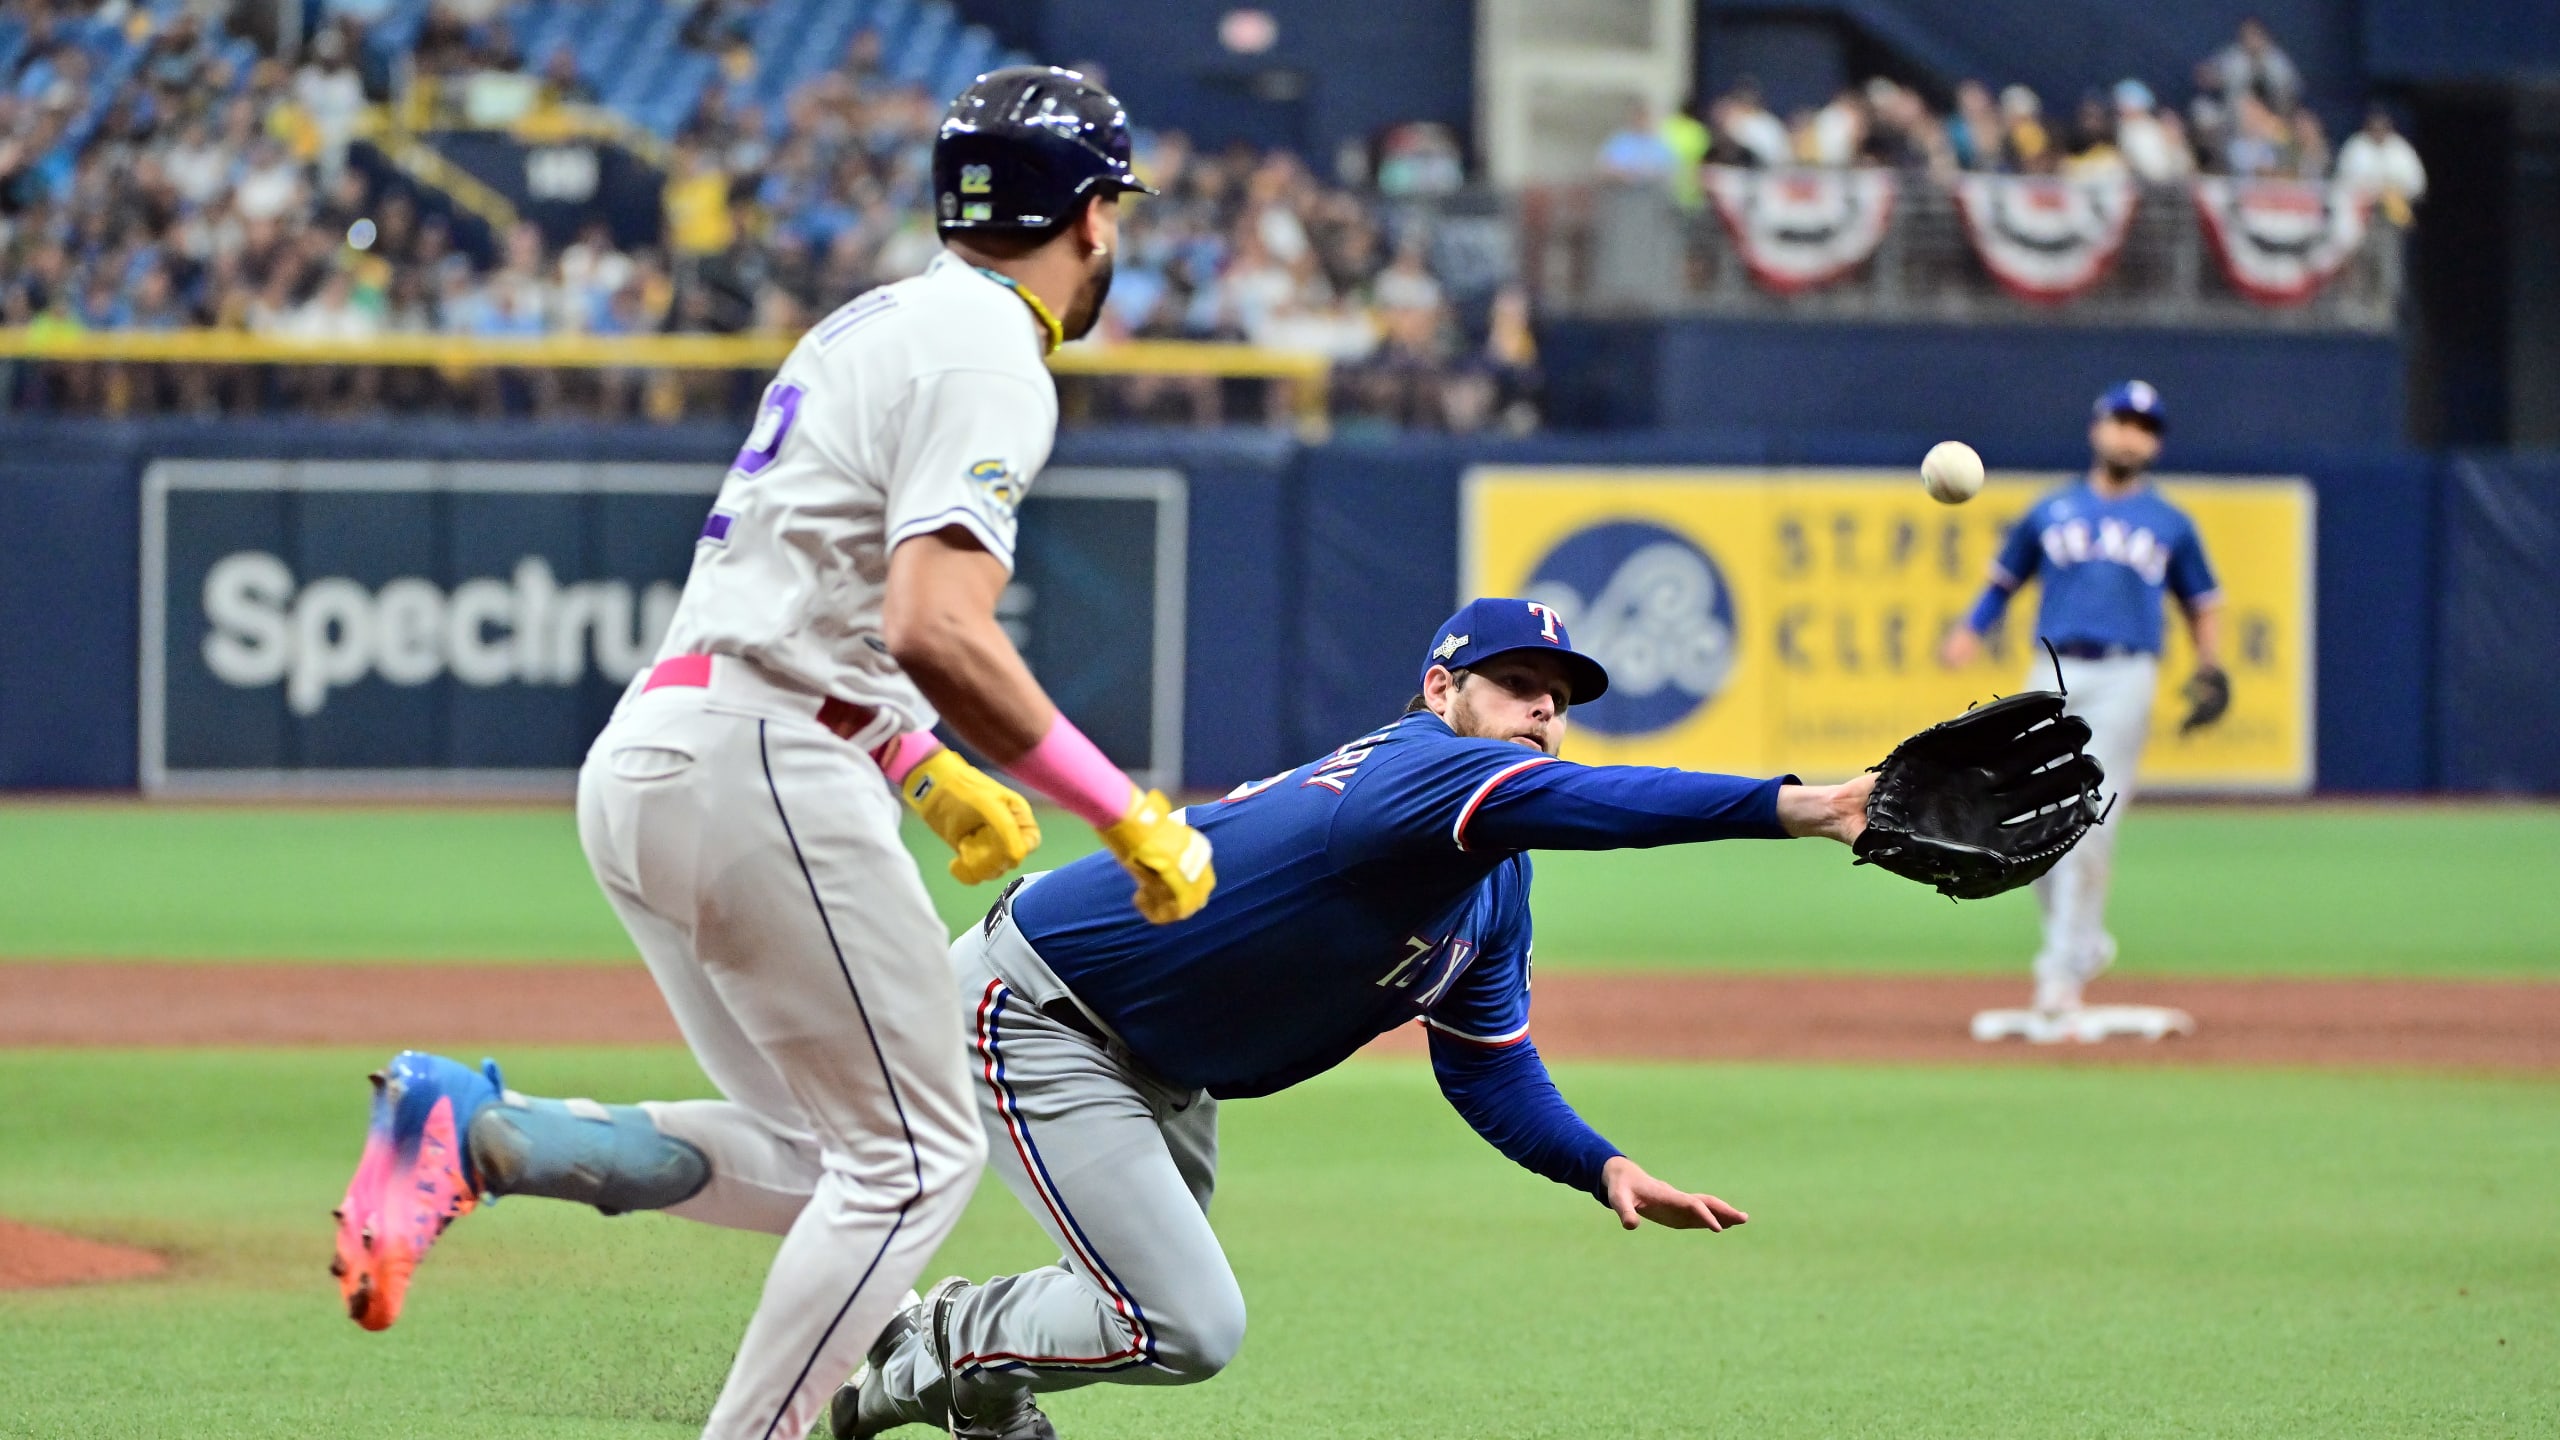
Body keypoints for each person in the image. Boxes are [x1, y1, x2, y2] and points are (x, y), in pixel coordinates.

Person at [328, 67, 1214, 1440]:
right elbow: (933, 622)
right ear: (1094, 214)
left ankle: (484, 1134)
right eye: (1116, 212)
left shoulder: (874, 323)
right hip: (762, 769)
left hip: (663, 753)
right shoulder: (993, 350)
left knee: (829, 1160)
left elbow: (809, 603)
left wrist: (922, 769)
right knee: (918, 1164)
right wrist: (1121, 807)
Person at [830, 597, 1878, 1437]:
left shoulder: (1492, 889)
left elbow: (1486, 1066)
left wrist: (1597, 1164)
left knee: (1128, 1297)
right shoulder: (1412, 773)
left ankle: (918, 1387)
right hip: (1042, 1011)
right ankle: (942, 1339)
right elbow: (1605, 805)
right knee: (1184, 1323)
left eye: (1558, 699)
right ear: (1440, 689)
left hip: (1160, 1057)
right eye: (1517, 685)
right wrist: (1801, 806)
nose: (1542, 713)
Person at [1938, 381, 2226, 1032]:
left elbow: (2203, 603)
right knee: (2030, 820)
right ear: (2097, 429)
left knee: (2086, 817)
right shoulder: (2052, 510)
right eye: (2121, 421)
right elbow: (2002, 582)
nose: (2130, 435)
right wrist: (1968, 629)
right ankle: (2082, 944)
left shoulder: (2170, 523)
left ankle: (2059, 977)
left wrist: (2212, 669)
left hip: (2128, 672)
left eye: (2144, 427)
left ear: (2154, 444)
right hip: (2054, 668)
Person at [2336, 104, 2426, 222]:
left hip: (2393, 206)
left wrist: (2391, 192)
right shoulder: (2356, 146)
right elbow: (2343, 181)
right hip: (2360, 206)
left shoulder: (2400, 148)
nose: (2378, 131)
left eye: (2382, 127)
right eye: (2374, 127)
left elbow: (2417, 184)